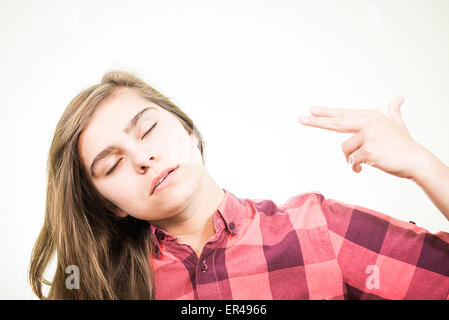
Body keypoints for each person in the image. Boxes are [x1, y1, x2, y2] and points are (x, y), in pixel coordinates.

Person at [28, 71, 449, 300]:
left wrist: (424, 166)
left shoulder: (316, 230)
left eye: (149, 129)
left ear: (188, 129)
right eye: (113, 164)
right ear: (109, 206)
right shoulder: (100, 289)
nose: (142, 158)